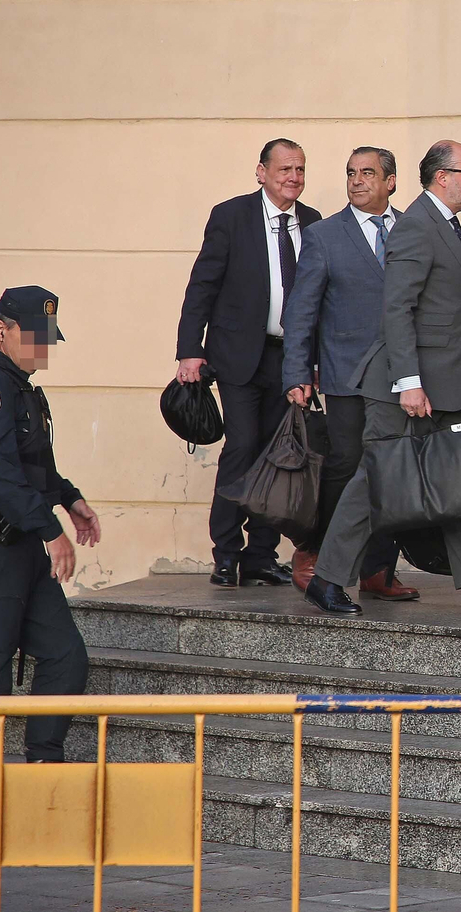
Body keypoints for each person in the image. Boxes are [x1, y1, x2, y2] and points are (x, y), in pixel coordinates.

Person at [302, 141, 461, 616]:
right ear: (442, 177)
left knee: (456, 479)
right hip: (406, 387)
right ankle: (326, 578)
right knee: (375, 480)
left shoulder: (444, 225)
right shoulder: (416, 226)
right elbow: (397, 307)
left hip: (439, 386)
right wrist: (409, 381)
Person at [0, 287, 99, 844]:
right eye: (33, 337)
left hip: (23, 547)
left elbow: (34, 467)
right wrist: (50, 528)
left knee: (64, 657)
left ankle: (41, 785)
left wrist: (69, 499)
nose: (41, 348)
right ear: (1, 328)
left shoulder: (19, 388)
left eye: (46, 338)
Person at [175, 138, 322, 590]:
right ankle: (226, 555)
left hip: (289, 360)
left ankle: (261, 556)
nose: (292, 178)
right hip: (237, 357)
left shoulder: (314, 223)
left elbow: (320, 300)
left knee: (279, 457)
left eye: (299, 170)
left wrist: (313, 365)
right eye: (283, 170)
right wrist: (188, 348)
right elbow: (202, 285)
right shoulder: (231, 216)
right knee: (241, 448)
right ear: (261, 172)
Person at [281, 147, 417, 601]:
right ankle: (324, 557)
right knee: (346, 468)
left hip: (403, 375)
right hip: (346, 376)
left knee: (394, 470)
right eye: (351, 173)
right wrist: (297, 372)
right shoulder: (324, 235)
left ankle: (378, 569)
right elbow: (301, 311)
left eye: (368, 173)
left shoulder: (414, 230)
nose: (357, 181)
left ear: (391, 181)